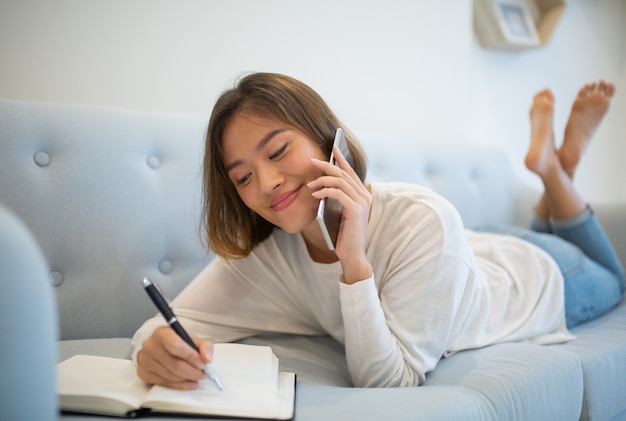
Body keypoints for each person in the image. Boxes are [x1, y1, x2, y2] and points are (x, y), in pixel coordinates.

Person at [131, 74, 624, 390]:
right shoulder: (267, 258)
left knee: (614, 278)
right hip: (467, 249)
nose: (267, 182)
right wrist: (151, 350)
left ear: (328, 139)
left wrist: (354, 263)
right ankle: (556, 169)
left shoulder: (422, 217)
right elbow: (163, 325)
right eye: (242, 177)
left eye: (278, 151)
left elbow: (391, 382)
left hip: (537, 276)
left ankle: (557, 172)